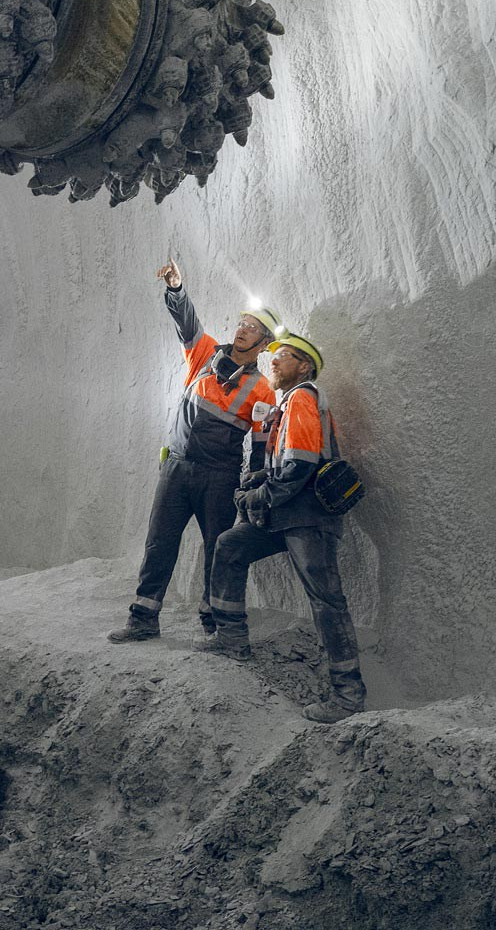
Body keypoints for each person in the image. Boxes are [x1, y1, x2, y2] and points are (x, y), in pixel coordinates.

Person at [109, 259, 278, 643]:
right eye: (241, 323)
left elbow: (261, 447)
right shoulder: (204, 356)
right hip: (178, 468)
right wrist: (176, 288)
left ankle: (214, 623)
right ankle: (143, 618)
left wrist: (252, 486)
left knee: (217, 548)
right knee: (159, 542)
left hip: (220, 477)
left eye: (252, 328)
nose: (242, 330)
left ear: (264, 343)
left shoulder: (263, 390)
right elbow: (187, 323)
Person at [201, 330, 365, 724]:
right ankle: (231, 638)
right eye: (272, 355)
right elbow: (285, 463)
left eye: (284, 356)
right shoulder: (288, 402)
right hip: (287, 513)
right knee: (230, 546)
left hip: (308, 516)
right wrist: (259, 477)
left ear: (304, 367)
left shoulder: (304, 397)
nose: (272, 361)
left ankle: (348, 694)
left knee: (326, 599)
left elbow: (300, 466)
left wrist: (259, 496)